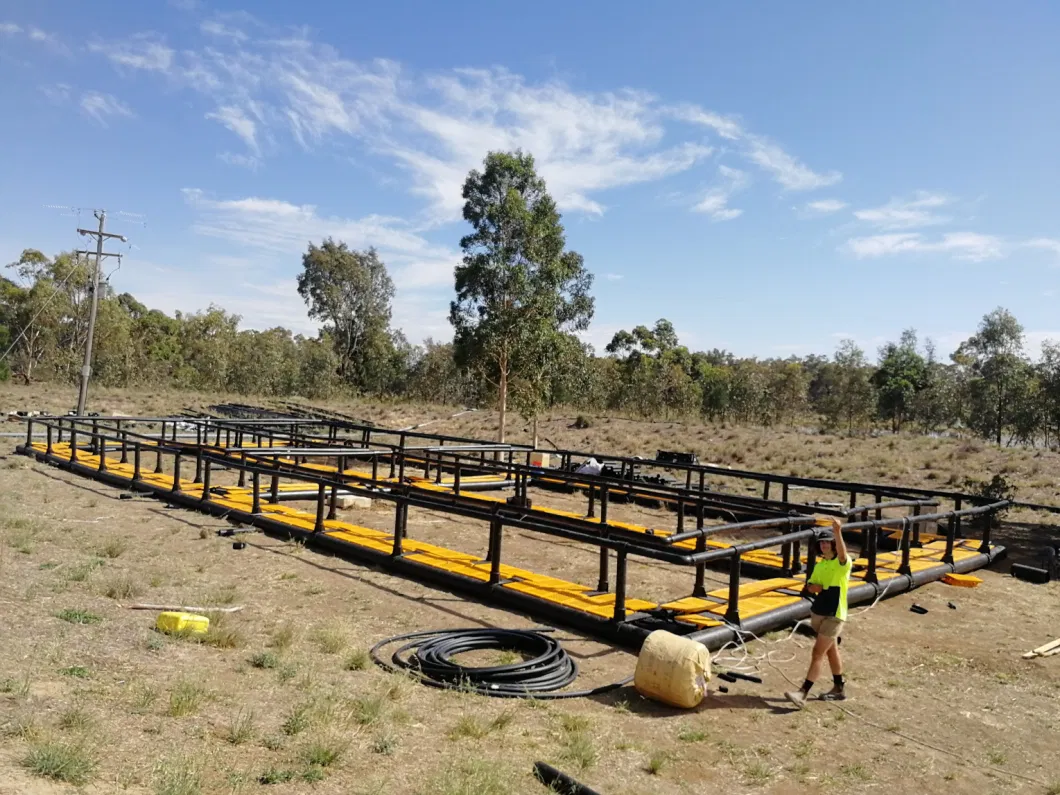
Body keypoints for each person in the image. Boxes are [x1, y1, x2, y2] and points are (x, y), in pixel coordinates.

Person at [785, 517, 852, 708]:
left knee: (817, 653)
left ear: (833, 544)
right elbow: (811, 586)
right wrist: (815, 587)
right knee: (831, 650)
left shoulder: (842, 564)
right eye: (821, 542)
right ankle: (839, 687)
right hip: (819, 611)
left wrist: (838, 531)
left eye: (827, 542)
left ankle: (802, 693)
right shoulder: (820, 565)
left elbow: (842, 553)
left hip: (834, 613)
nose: (823, 545)